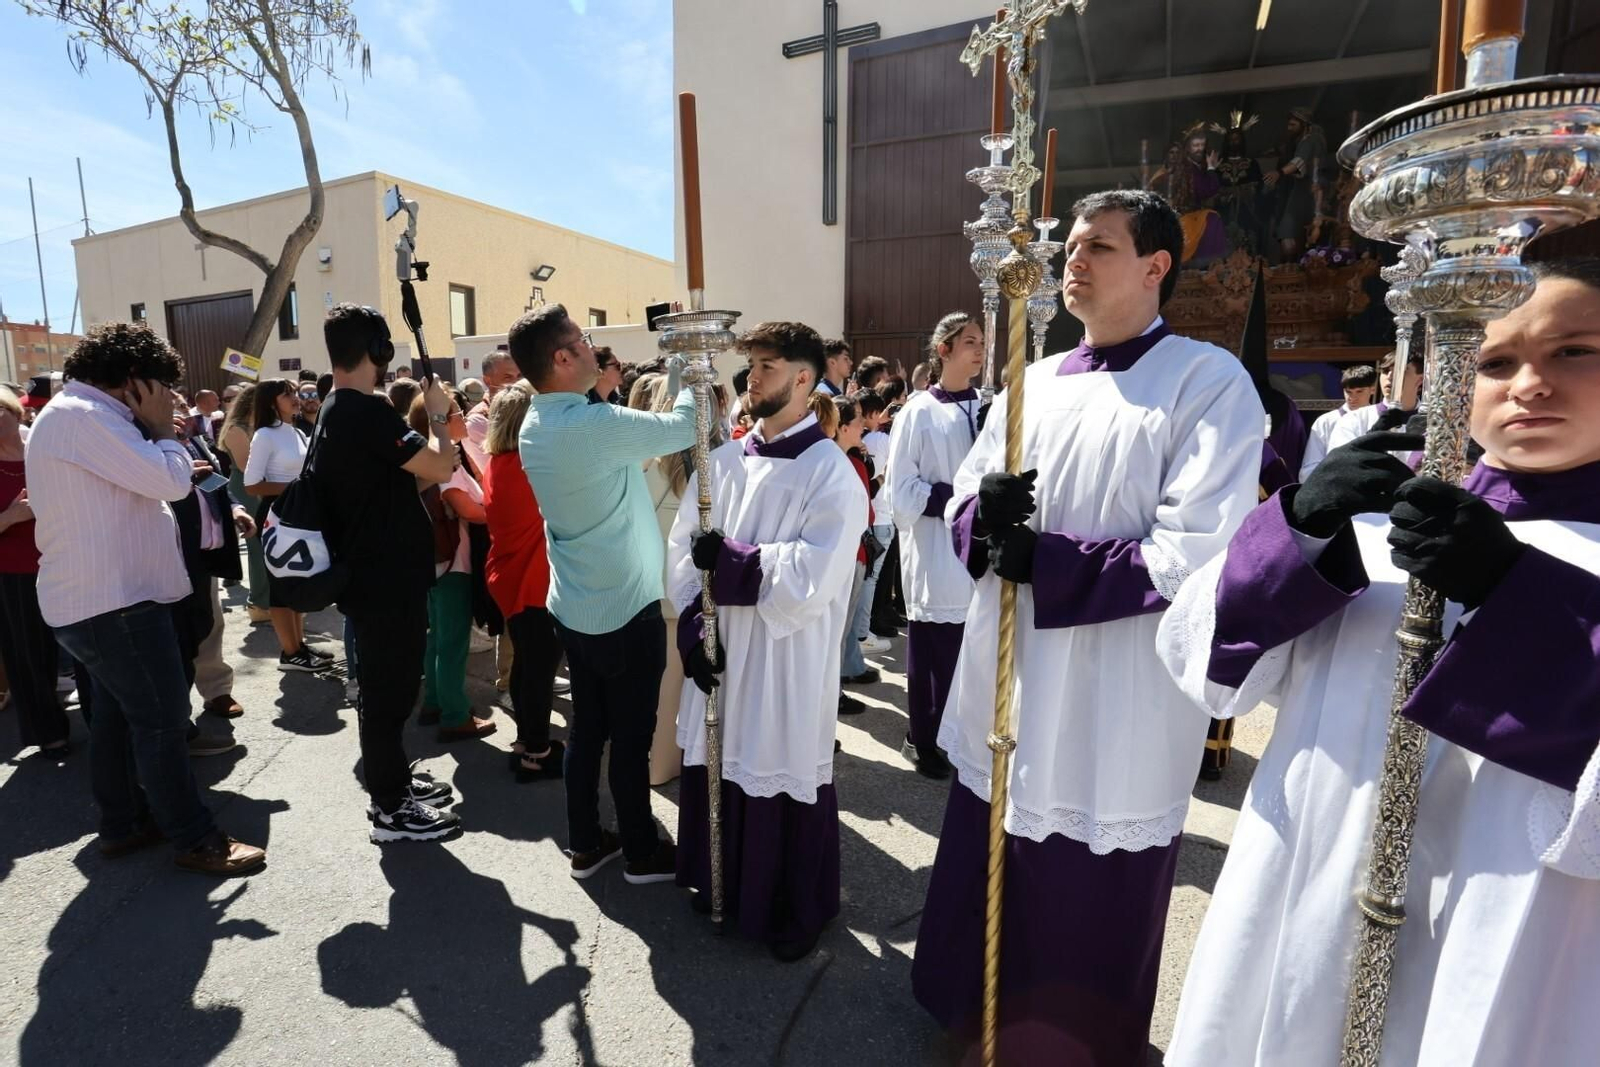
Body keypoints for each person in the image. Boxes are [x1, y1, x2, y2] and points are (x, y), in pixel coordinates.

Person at [1152, 257, 1600, 1066]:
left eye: (1574, 350)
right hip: (1306, 895)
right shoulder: (1384, 522)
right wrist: (1300, 529)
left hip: (1508, 944)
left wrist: (1518, 598)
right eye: (1496, 360)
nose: (1529, 383)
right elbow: (1205, 662)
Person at [912, 189, 1264, 1063]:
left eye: (1099, 246)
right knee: (995, 843)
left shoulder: (1206, 381)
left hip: (1119, 693)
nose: (1074, 258)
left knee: (1083, 887)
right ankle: (977, 1017)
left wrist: (1052, 561)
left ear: (1155, 267)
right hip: (1012, 676)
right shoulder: (1030, 382)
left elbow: (1196, 552)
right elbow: (963, 494)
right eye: (1071, 243)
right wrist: (982, 520)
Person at [28, 322, 265, 874]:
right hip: (117, 606)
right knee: (160, 723)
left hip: (107, 604)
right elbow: (169, 483)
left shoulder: (82, 416)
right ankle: (195, 838)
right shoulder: (85, 418)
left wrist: (160, 439)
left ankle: (124, 823)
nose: (168, 399)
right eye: (160, 386)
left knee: (114, 722)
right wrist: (164, 433)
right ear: (134, 381)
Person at [668, 320, 865, 961]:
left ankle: (789, 907)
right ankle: (719, 880)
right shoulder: (719, 462)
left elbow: (816, 572)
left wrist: (728, 561)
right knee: (721, 758)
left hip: (785, 655)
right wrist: (696, 633)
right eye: (751, 365)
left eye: (768, 366)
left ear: (805, 379)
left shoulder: (829, 471)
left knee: (777, 761)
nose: (753, 377)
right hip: (726, 648)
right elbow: (679, 556)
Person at [513, 303, 689, 883]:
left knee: (587, 730)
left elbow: (638, 448)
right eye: (583, 340)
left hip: (577, 604)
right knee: (630, 740)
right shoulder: (588, 424)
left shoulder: (540, 421)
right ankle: (641, 852)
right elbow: (687, 426)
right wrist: (689, 361)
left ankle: (586, 842)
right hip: (625, 609)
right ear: (562, 358)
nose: (592, 347)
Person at [310, 304, 460, 842]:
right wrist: (439, 415)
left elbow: (401, 483)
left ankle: (393, 781)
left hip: (373, 575)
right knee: (388, 694)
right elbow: (441, 468)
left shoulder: (335, 406)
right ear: (378, 351)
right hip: (384, 580)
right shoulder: (365, 412)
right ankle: (390, 809)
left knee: (390, 689)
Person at [883, 311, 985, 778]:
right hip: (937, 552)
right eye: (969, 341)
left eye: (982, 341)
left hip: (979, 555)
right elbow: (900, 491)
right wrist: (960, 501)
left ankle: (962, 736)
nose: (980, 349)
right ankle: (920, 738)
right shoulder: (917, 412)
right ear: (943, 350)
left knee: (973, 652)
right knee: (935, 655)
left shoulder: (989, 405)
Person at [482, 382, 566, 782]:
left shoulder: (497, 462)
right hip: (532, 580)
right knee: (539, 670)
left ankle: (526, 740)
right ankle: (536, 751)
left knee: (525, 665)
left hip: (508, 575)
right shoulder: (531, 465)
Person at [408, 389, 495, 742]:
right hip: (452, 563)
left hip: (437, 562)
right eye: (456, 411)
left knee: (438, 637)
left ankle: (435, 701)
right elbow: (471, 511)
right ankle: (455, 714)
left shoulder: (431, 460)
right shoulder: (447, 464)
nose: (465, 417)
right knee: (453, 642)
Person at [0, 385, 67, 758]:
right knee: (28, 653)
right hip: (15, 573)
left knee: (83, 649)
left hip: (66, 561)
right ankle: (46, 731)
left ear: (15, 411)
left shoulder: (42, 452)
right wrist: (11, 517)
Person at [244, 378, 328, 673]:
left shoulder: (294, 431)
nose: (295, 397)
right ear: (271, 402)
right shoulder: (265, 435)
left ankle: (299, 646)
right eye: (287, 393)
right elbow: (252, 485)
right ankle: (290, 652)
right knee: (281, 588)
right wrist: (296, 487)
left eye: (294, 392)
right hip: (276, 516)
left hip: (297, 513)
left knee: (295, 583)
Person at [641, 374, 698, 786]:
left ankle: (656, 765)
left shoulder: (639, 461)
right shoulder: (705, 466)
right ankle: (661, 767)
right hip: (681, 593)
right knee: (674, 691)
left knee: (656, 691)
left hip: (644, 589)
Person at [216, 384, 271, 626]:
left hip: (259, 486)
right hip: (248, 489)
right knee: (258, 547)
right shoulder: (236, 430)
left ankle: (265, 600)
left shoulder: (256, 427)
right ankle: (259, 603)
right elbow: (246, 466)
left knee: (265, 546)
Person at [1320, 346, 1424, 460]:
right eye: (1385, 371)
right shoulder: (1354, 420)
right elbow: (1340, 464)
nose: (1390, 376)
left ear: (1420, 380)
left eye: (1400, 371)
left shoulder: (1434, 423)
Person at [1148, 126, 1229, 266]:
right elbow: (1206, 190)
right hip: (1181, 216)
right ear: (1188, 148)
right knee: (1212, 218)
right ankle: (1207, 266)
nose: (1200, 149)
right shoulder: (1188, 167)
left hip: (1187, 213)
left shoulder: (1193, 166)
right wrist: (1211, 169)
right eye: (1195, 145)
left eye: (1202, 145)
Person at [855, 391, 894, 654]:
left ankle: (860, 633)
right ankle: (862, 634)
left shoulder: (862, 442)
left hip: (870, 518)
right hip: (882, 516)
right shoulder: (880, 439)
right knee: (871, 579)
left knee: (867, 580)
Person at [1264, 106, 1328, 263]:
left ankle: (1291, 267)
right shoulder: (1310, 139)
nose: (1289, 128)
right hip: (1307, 189)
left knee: (1288, 233)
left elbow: (1298, 161)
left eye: (1293, 125)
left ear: (1304, 124)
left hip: (1307, 189)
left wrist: (1279, 173)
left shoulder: (1309, 139)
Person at [1298, 363, 1378, 479]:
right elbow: (1310, 466)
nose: (1352, 398)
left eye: (1359, 391)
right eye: (1348, 392)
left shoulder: (1379, 419)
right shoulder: (1326, 421)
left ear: (1372, 390)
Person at [465, 345, 519, 475]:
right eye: (508, 377)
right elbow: (497, 474)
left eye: (519, 376)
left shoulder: (522, 408)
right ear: (487, 381)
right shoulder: (477, 421)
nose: (516, 383)